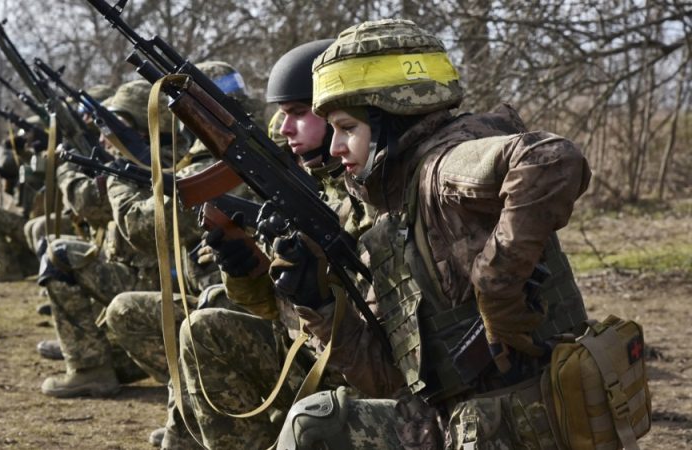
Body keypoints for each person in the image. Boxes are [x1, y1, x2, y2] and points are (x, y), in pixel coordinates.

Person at [272, 19, 591, 449]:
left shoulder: (442, 167)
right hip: (458, 421)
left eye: (347, 128)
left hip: (527, 421)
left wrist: (497, 285)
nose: (334, 147)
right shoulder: (391, 212)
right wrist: (320, 306)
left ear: (389, 119)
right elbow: (389, 379)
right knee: (316, 424)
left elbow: (551, 158)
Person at [176, 40, 379, 450]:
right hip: (314, 360)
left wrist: (317, 300)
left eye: (299, 114)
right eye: (284, 115)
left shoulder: (375, 200)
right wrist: (247, 270)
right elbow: (275, 310)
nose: (285, 129)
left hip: (362, 384)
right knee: (204, 326)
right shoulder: (322, 189)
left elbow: (376, 348)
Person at [104, 61, 258, 449]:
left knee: (201, 322)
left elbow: (142, 228)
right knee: (136, 310)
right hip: (227, 298)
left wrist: (118, 178)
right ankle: (194, 418)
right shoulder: (213, 158)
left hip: (245, 308)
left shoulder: (228, 164)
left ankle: (198, 424)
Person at [38, 79, 174, 398]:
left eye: (114, 126)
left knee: (60, 256)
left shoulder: (152, 166)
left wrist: (65, 170)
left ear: (141, 127)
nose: (103, 137)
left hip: (153, 289)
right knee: (118, 359)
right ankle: (97, 360)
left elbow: (90, 207)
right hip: (144, 285)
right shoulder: (158, 160)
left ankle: (89, 370)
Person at [0, 136, 41, 284]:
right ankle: (12, 266)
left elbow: (6, 163)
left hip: (39, 230)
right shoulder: (29, 161)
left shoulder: (37, 159)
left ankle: (9, 268)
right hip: (34, 228)